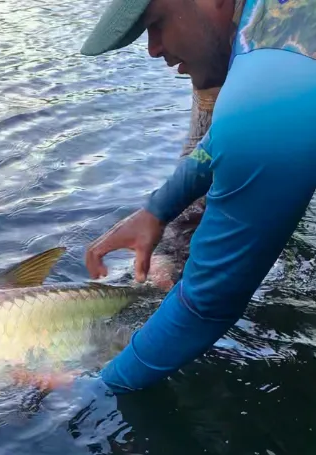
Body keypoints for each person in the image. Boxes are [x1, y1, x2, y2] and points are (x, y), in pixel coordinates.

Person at [80, 0, 316, 393]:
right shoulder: (271, 26)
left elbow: (206, 308)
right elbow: (220, 141)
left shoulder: (267, 99)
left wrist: (87, 390)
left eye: (156, 24)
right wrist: (157, 210)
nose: (152, 48)